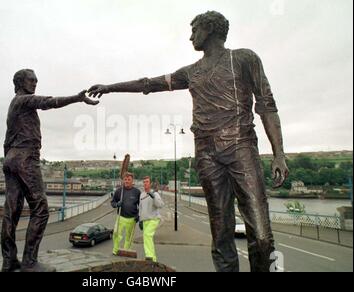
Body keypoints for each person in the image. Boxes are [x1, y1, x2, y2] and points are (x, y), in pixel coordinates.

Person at [88, 11, 289, 272]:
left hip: (241, 148)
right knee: (221, 235)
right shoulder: (191, 72)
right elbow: (150, 84)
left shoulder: (244, 58)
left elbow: (267, 106)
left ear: (211, 29)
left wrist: (279, 153)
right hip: (207, 155)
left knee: (262, 236)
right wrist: (110, 87)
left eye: (195, 30)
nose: (191, 36)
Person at [1, 69, 99, 272]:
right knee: (41, 210)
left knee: (12, 211)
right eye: (31, 80)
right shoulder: (24, 100)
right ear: (20, 82)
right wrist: (76, 98)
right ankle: (29, 262)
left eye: (37, 80)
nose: (35, 83)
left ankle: (9, 261)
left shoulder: (15, 105)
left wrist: (9, 161)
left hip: (11, 158)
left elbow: (7, 138)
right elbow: (49, 102)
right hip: (26, 158)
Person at [111, 172, 141, 256]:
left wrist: (138, 215)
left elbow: (140, 206)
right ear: (123, 180)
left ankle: (126, 250)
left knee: (129, 237)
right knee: (116, 233)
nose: (127, 181)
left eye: (129, 179)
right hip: (121, 217)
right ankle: (116, 250)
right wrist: (117, 205)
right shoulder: (119, 191)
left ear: (132, 181)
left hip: (132, 218)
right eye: (125, 179)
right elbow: (113, 202)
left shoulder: (137, 192)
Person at [139, 176, 164, 262]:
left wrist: (153, 197)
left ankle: (149, 256)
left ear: (150, 184)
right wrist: (140, 220)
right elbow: (141, 208)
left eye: (147, 182)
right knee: (147, 238)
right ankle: (153, 258)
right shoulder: (142, 195)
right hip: (145, 220)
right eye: (144, 182)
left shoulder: (155, 194)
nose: (145, 183)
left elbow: (160, 205)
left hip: (154, 219)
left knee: (147, 235)